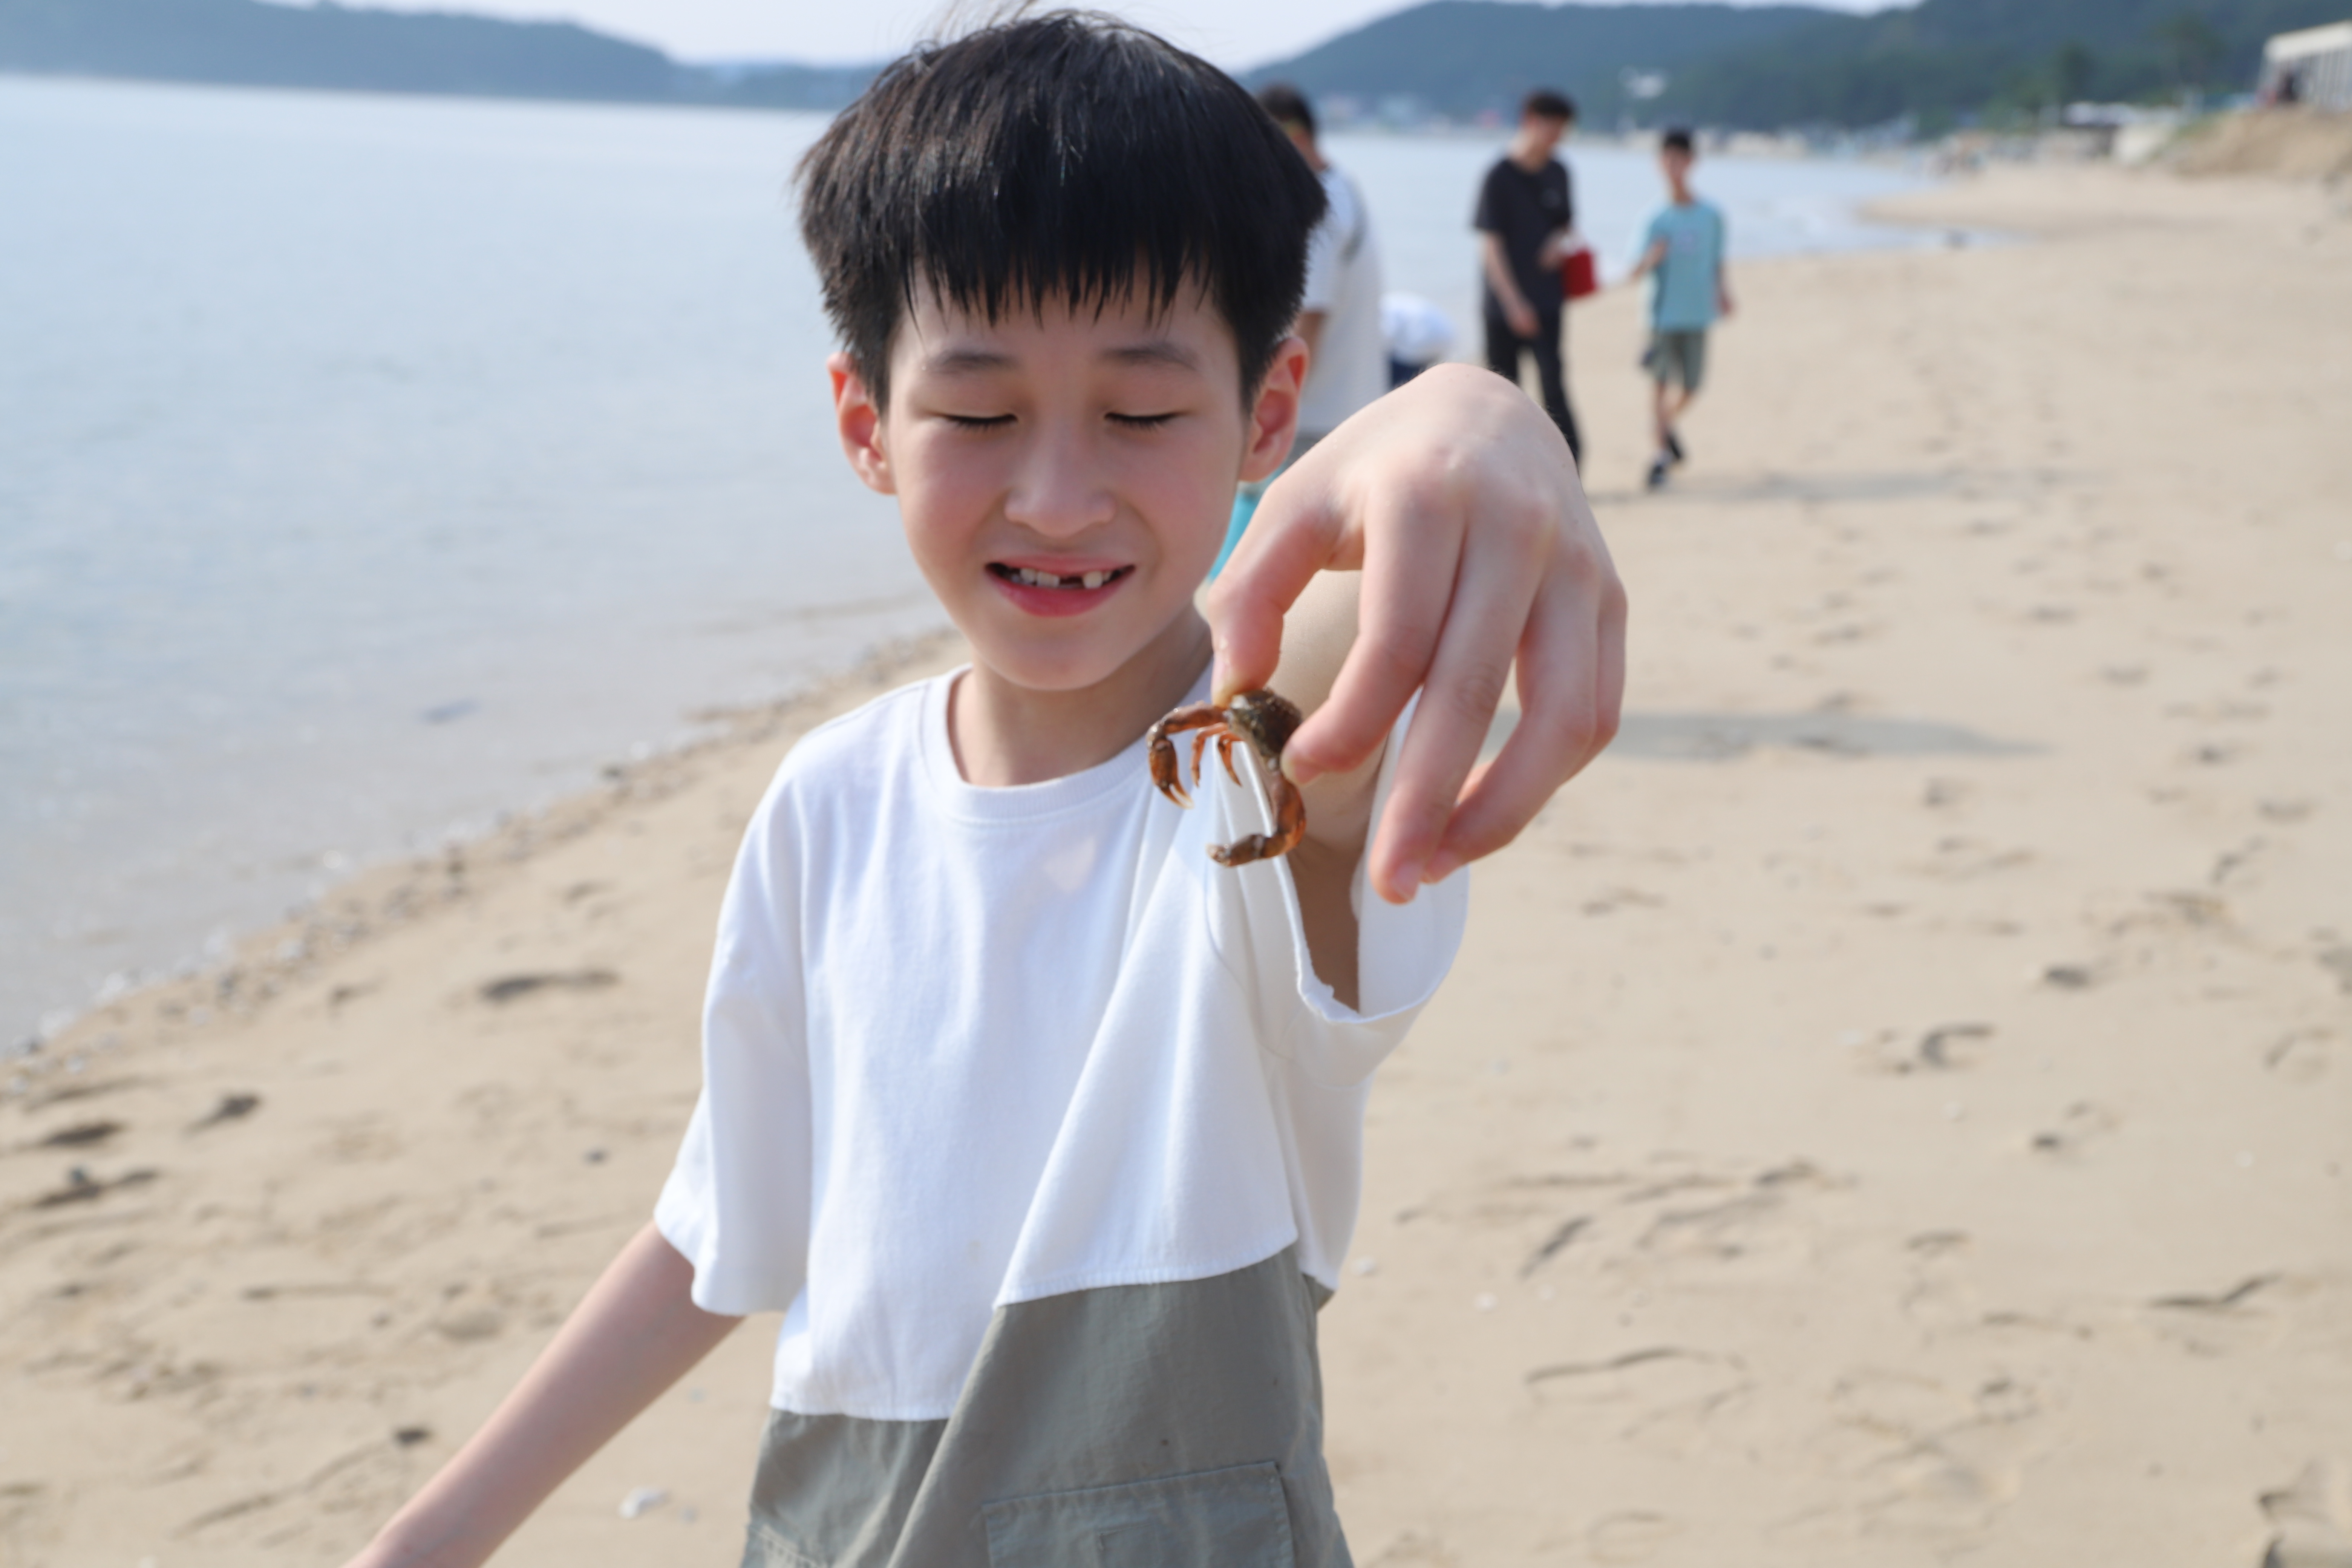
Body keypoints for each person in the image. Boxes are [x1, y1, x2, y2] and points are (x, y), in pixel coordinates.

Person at [341, 15, 1625, 1568]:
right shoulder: (828, 802)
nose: (1059, 497)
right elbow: (727, 1218)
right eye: (978, 412)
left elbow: (1369, 641)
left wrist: (1481, 411)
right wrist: (432, 1533)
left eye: (1142, 413)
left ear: (1269, 412)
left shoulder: (1248, 782)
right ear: (866, 425)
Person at [1214, 83, 1388, 579]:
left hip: (1313, 417)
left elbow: (1307, 321)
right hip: (1349, 404)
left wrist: (1263, 410)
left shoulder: (1315, 211)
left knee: (1269, 568)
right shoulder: (1343, 186)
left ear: (1293, 137)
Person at [1475, 88, 1582, 464]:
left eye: (1563, 130)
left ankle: (1571, 469)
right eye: (1553, 128)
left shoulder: (1559, 171)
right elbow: (1491, 247)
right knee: (1502, 394)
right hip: (1503, 306)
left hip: (1549, 298)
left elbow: (1567, 224)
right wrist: (1514, 303)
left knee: (1554, 384)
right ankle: (1505, 470)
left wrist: (1557, 242)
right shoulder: (1499, 175)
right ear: (1531, 122)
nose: (1558, 138)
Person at [1624, 127, 1733, 492]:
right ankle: (1659, 456)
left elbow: (1717, 260)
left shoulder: (1711, 215)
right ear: (1659, 163)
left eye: (1680, 159)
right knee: (1659, 384)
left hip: (1698, 313)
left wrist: (1724, 293)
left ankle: (1662, 425)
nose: (1674, 167)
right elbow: (1633, 272)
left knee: (1692, 386)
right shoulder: (1655, 217)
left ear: (1691, 162)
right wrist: (1651, 258)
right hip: (1660, 317)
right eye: (1667, 160)